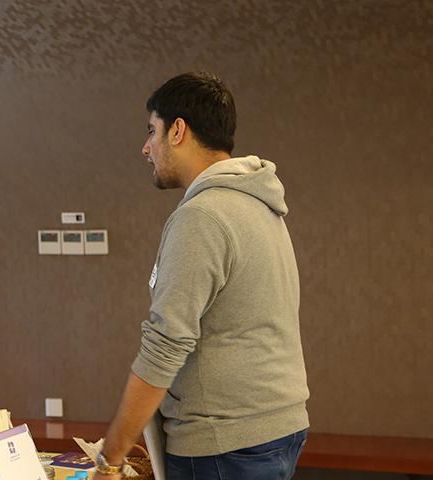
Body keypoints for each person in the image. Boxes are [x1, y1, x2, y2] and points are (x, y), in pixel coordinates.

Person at [93, 73, 309, 480]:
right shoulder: (259, 205)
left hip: (224, 443)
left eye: (152, 131)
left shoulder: (202, 217)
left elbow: (164, 344)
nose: (145, 147)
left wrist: (111, 458)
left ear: (178, 130)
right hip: (278, 428)